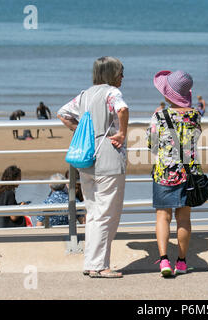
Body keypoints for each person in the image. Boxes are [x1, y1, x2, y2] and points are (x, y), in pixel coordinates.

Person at [57, 56, 129, 279]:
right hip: (108, 158)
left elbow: (62, 113)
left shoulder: (84, 94)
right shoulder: (112, 93)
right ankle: (100, 266)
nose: (122, 77)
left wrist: (80, 130)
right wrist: (122, 133)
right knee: (108, 214)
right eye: (120, 72)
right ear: (111, 74)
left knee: (94, 212)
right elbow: (123, 109)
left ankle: (91, 263)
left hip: (86, 159)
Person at [147, 70, 203, 277]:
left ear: (166, 95)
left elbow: (151, 145)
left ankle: (163, 261)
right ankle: (181, 261)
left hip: (165, 171)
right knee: (184, 219)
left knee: (163, 216)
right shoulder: (195, 115)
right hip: (189, 172)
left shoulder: (159, 116)